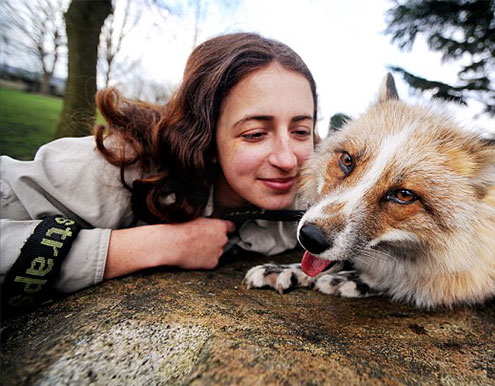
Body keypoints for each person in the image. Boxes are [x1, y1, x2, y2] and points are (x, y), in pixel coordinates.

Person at [0, 32, 317, 311]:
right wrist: (160, 245)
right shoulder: (118, 165)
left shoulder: (313, 201)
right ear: (205, 134)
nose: (288, 160)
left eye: (301, 131)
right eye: (254, 134)